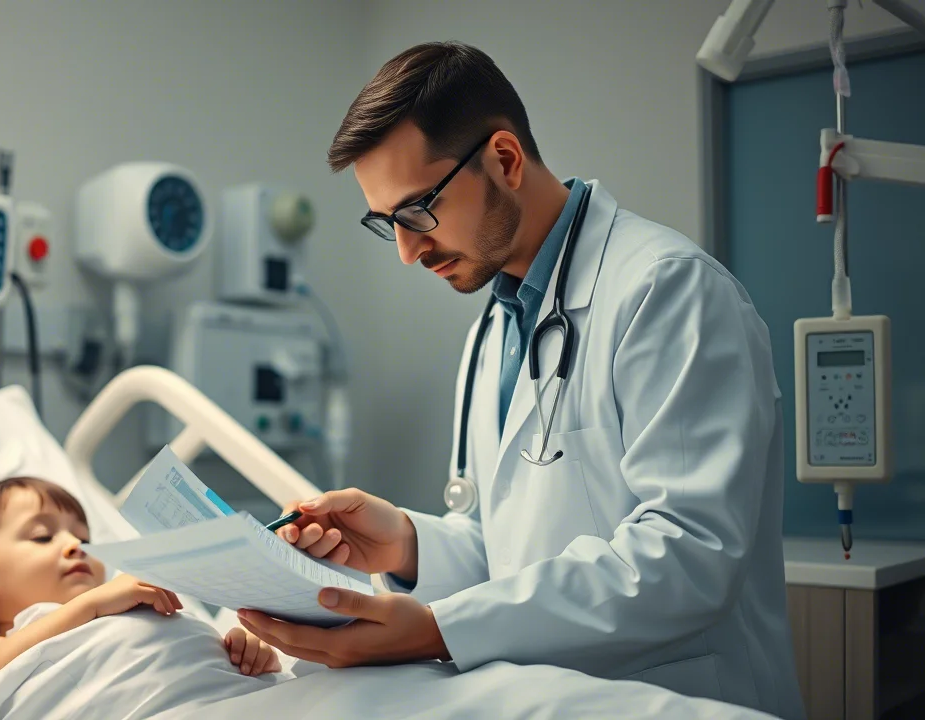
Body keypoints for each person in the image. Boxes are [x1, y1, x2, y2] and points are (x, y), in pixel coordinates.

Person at [237, 41, 803, 719]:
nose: (408, 252)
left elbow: (688, 554)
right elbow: (504, 547)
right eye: (387, 224)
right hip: (546, 697)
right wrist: (407, 545)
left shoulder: (667, 290)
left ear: (503, 160)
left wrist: (440, 629)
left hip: (678, 694)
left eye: (417, 213)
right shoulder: (496, 329)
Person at [0, 477, 280, 677]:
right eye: (43, 536)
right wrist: (90, 604)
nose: (76, 545)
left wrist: (242, 652)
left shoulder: (123, 605)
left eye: (85, 538)